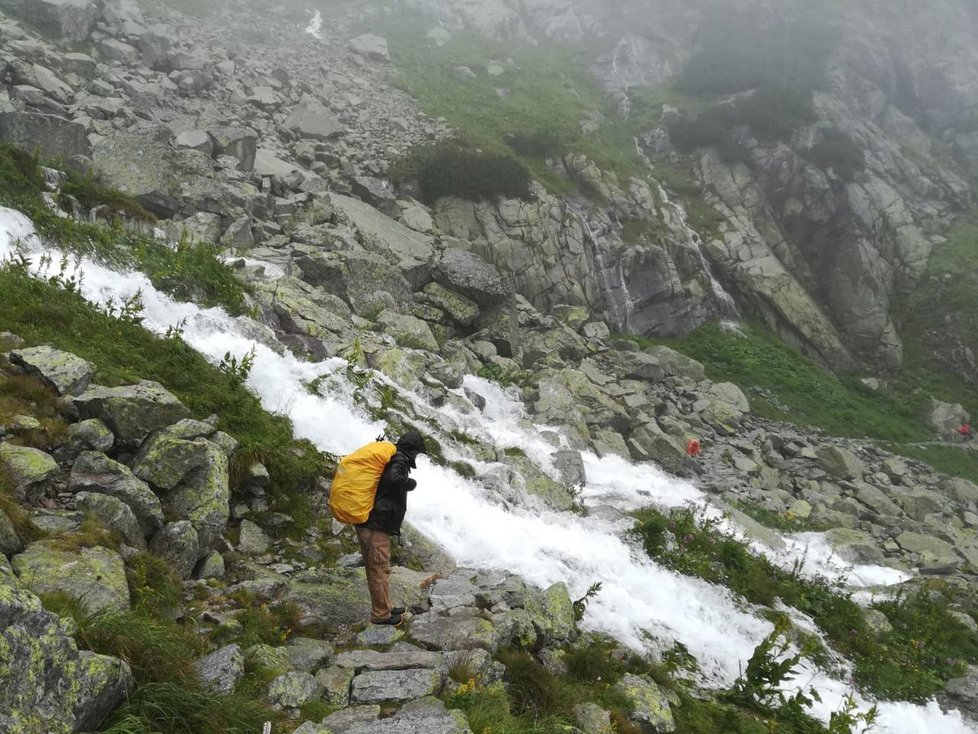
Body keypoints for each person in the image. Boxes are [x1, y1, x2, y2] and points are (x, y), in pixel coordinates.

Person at [356, 431, 427, 626]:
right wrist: (409, 483)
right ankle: (381, 614)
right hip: (376, 524)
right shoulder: (399, 461)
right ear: (412, 450)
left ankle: (386, 606)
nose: (417, 457)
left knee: (379, 568)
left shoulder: (392, 456)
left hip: (371, 522)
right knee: (379, 569)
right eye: (418, 453)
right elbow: (394, 479)